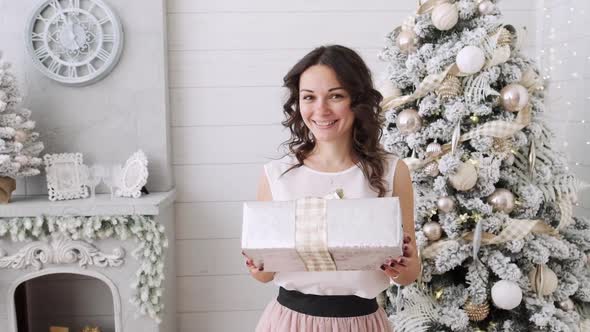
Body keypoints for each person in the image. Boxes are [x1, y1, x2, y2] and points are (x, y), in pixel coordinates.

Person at [242, 45, 420, 332]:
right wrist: (256, 266)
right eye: (309, 97)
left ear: (357, 101)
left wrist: (404, 265)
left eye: (335, 96)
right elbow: (264, 276)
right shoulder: (276, 176)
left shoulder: (392, 171)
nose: (321, 110)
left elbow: (409, 274)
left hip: (362, 324)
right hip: (289, 323)